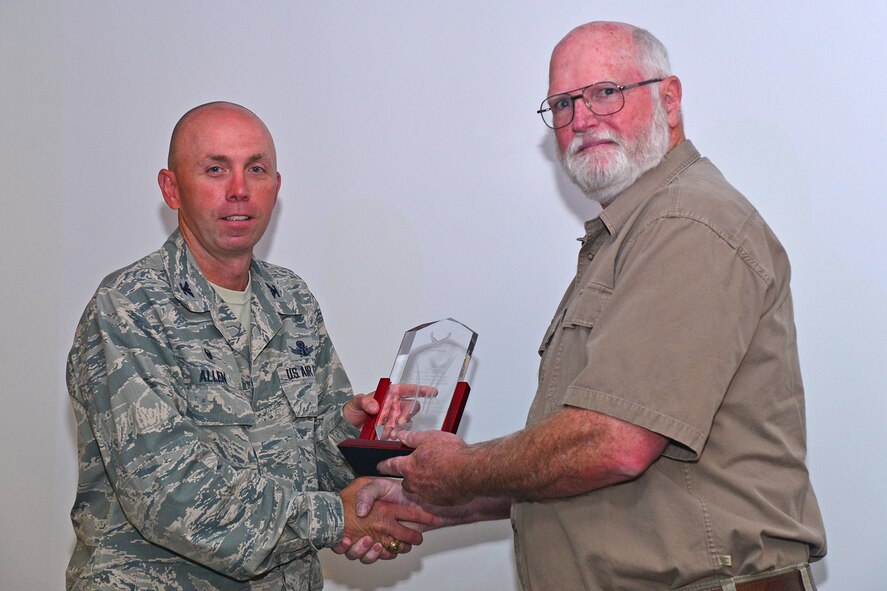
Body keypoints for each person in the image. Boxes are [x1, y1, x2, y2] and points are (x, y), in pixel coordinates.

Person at [351, 21, 828, 591]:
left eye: (605, 92)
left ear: (668, 100)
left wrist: (460, 471)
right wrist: (428, 495)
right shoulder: (633, 232)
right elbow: (599, 469)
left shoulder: (687, 225)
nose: (582, 119)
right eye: (562, 103)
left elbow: (616, 444)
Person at [65, 101, 435, 590]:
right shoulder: (129, 308)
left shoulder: (292, 300)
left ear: (276, 187)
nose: (239, 190)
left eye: (255, 169)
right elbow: (169, 494)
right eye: (215, 169)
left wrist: (351, 430)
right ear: (171, 189)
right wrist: (337, 519)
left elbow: (312, 467)